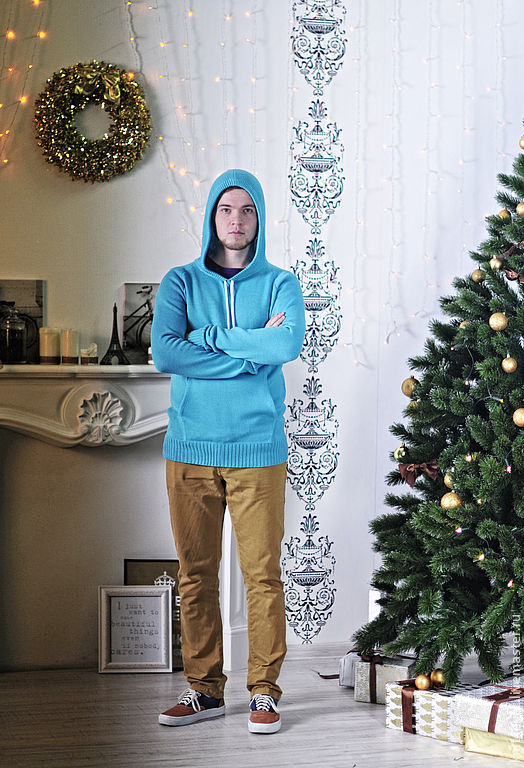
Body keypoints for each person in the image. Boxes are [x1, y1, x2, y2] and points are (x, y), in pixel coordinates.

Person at [151, 169, 306, 734]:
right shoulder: (180, 282)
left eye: (246, 210)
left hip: (258, 450)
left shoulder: (282, 283)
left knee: (262, 576)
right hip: (189, 447)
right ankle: (204, 690)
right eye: (225, 209)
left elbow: (286, 342)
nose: (236, 220)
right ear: (211, 217)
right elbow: (166, 354)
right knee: (195, 574)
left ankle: (264, 692)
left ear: (259, 218)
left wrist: (209, 338)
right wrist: (248, 354)